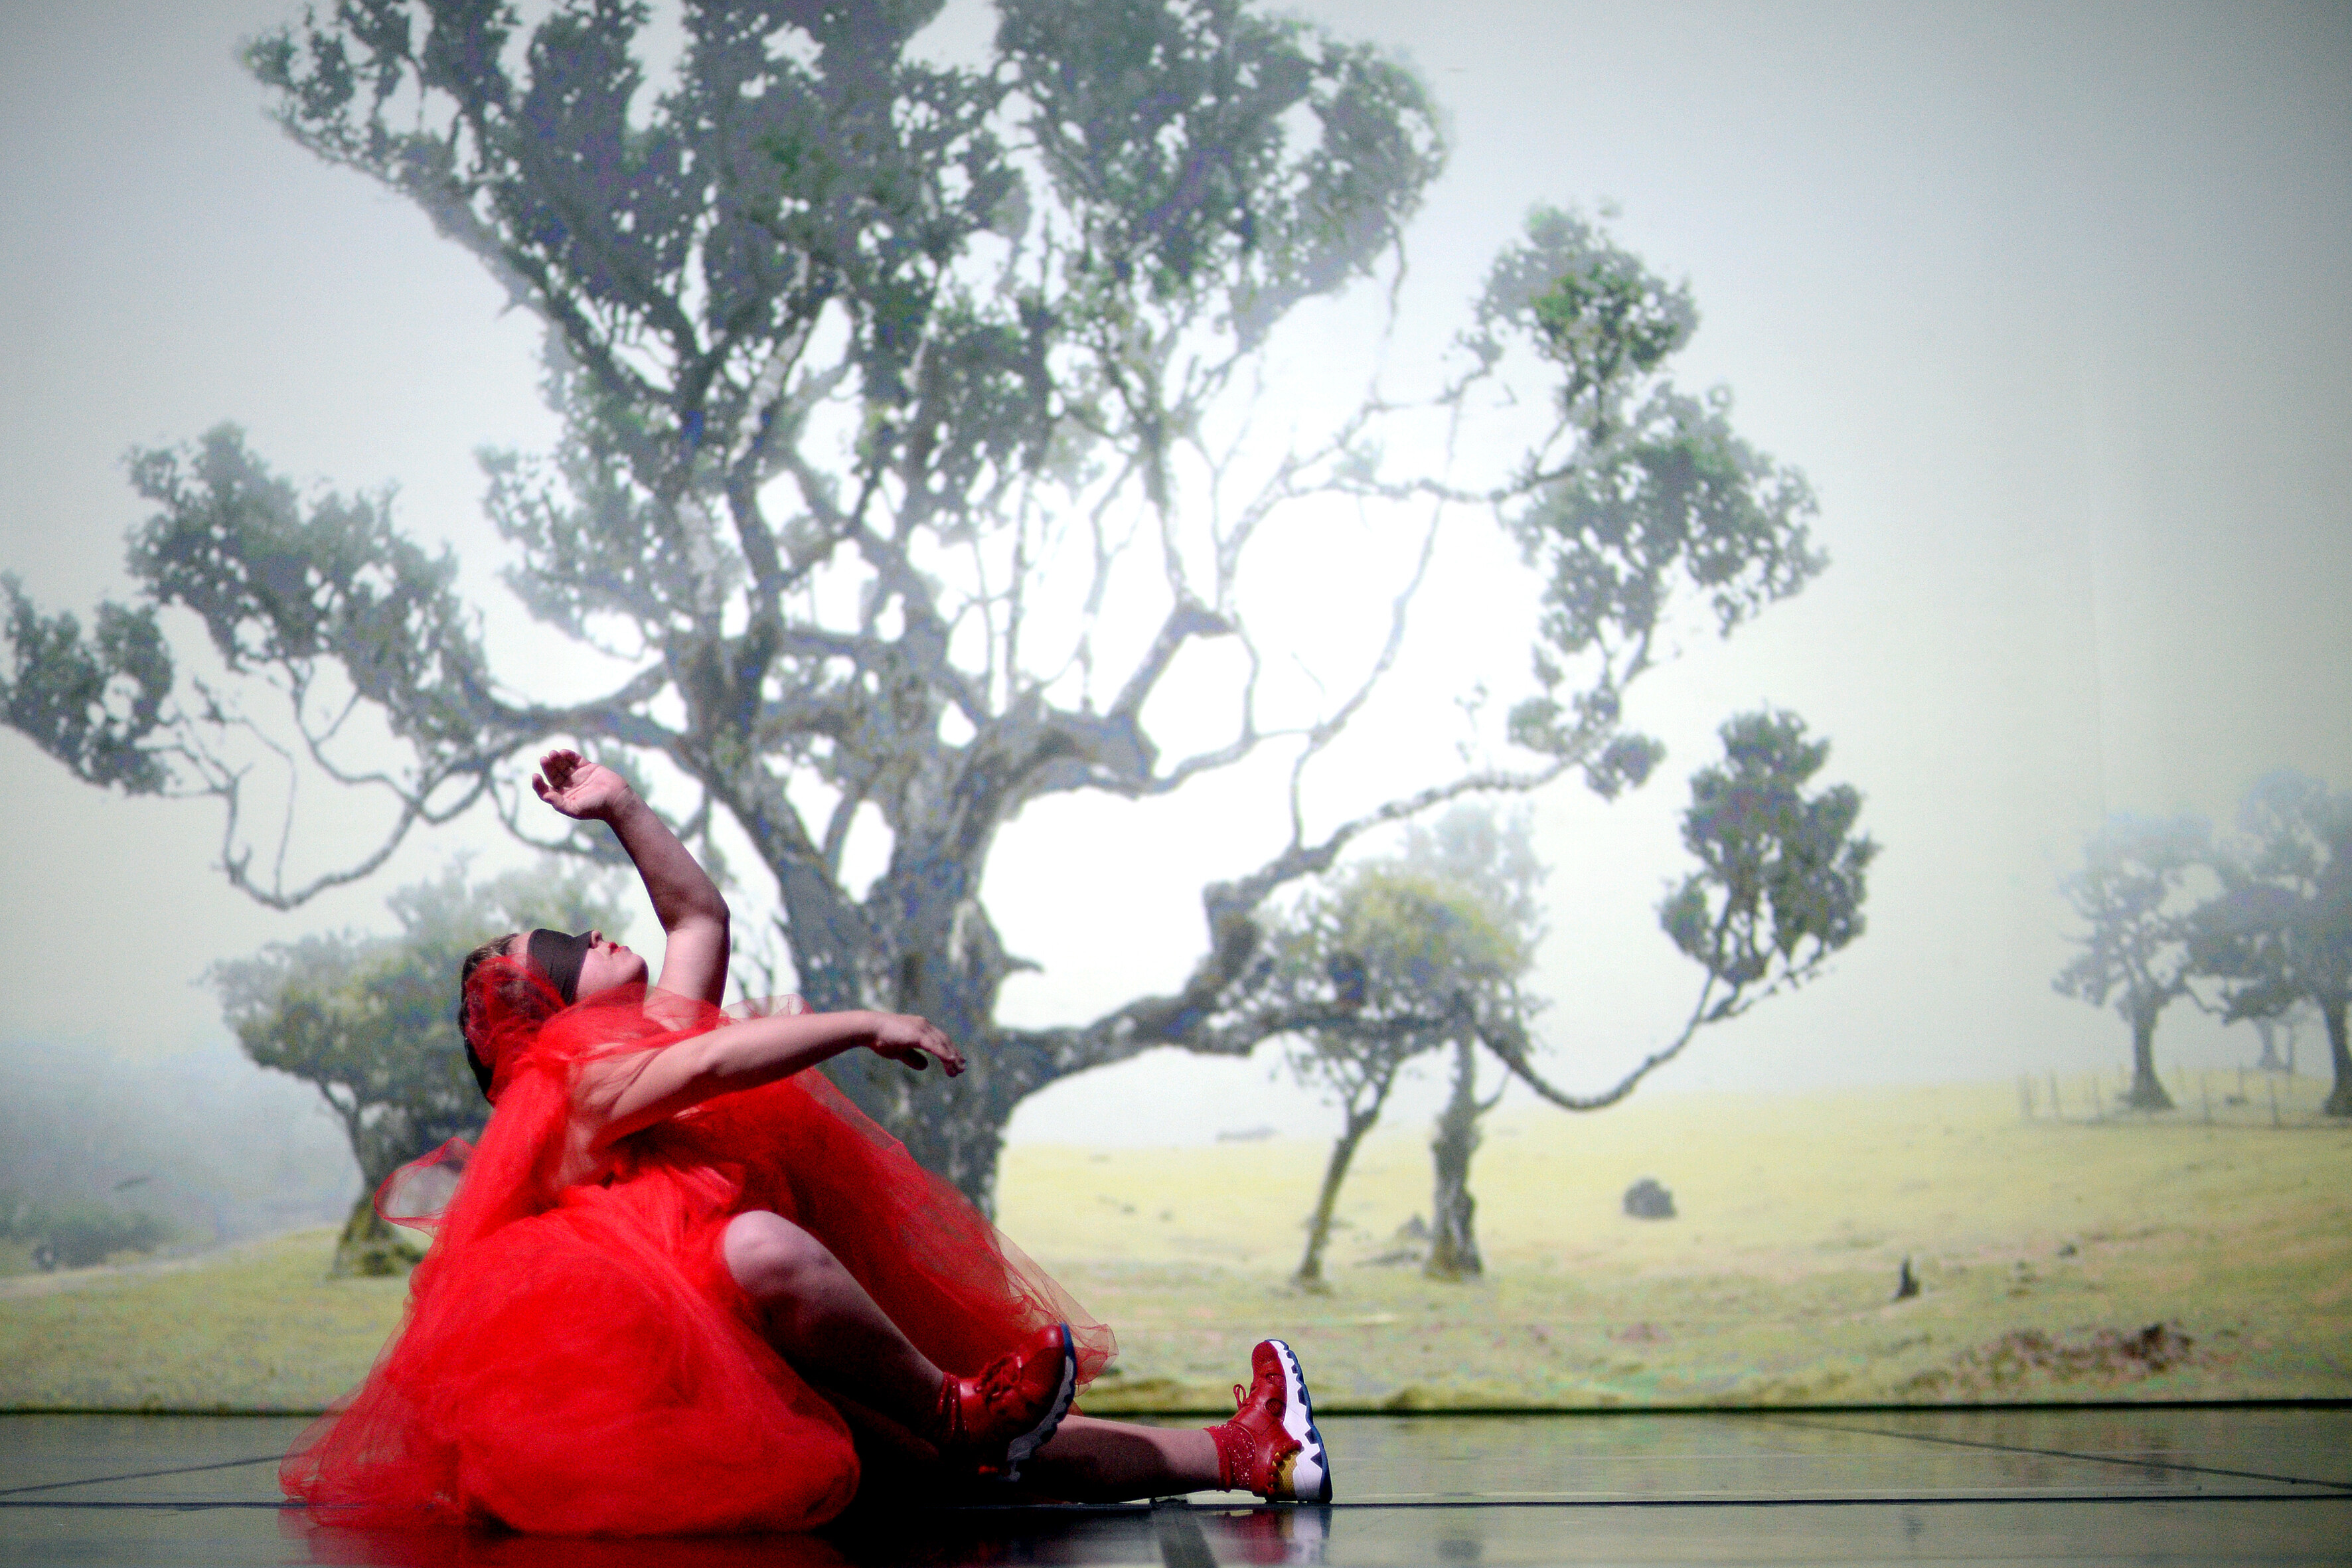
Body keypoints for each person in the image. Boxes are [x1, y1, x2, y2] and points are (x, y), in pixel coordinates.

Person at [281, 749, 1330, 1536]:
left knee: (954, 1458)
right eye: (558, 950)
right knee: (761, 1252)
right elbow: (713, 1067)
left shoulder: (632, 1044)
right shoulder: (575, 1087)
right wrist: (862, 1022)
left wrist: (624, 809)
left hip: (752, 1351)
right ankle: (958, 1410)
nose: (591, 934)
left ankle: (1245, 1453)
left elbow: (697, 919)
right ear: (542, 1011)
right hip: (679, 1372)